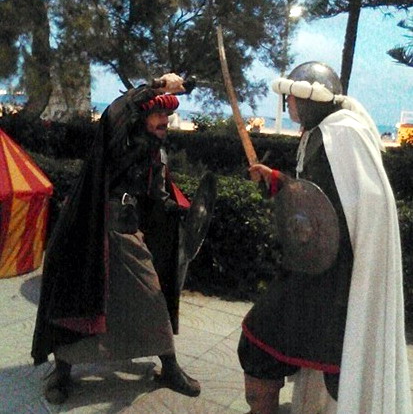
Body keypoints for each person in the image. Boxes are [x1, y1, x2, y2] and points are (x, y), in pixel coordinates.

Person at [238, 61, 412, 413]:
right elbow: (322, 198)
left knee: (258, 343)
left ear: (310, 99)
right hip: (319, 274)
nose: (288, 104)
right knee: (271, 350)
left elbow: (343, 212)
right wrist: (278, 182)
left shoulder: (341, 135)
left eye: (292, 98)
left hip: (332, 281)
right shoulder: (326, 132)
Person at [32, 73, 201, 404]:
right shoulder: (117, 140)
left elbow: (158, 196)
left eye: (168, 114)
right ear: (142, 116)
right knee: (77, 300)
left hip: (126, 230)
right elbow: (116, 112)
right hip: (89, 229)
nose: (165, 120)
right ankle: (62, 371)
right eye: (159, 113)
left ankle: (169, 367)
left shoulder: (155, 153)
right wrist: (154, 87)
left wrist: (180, 212)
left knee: (151, 298)